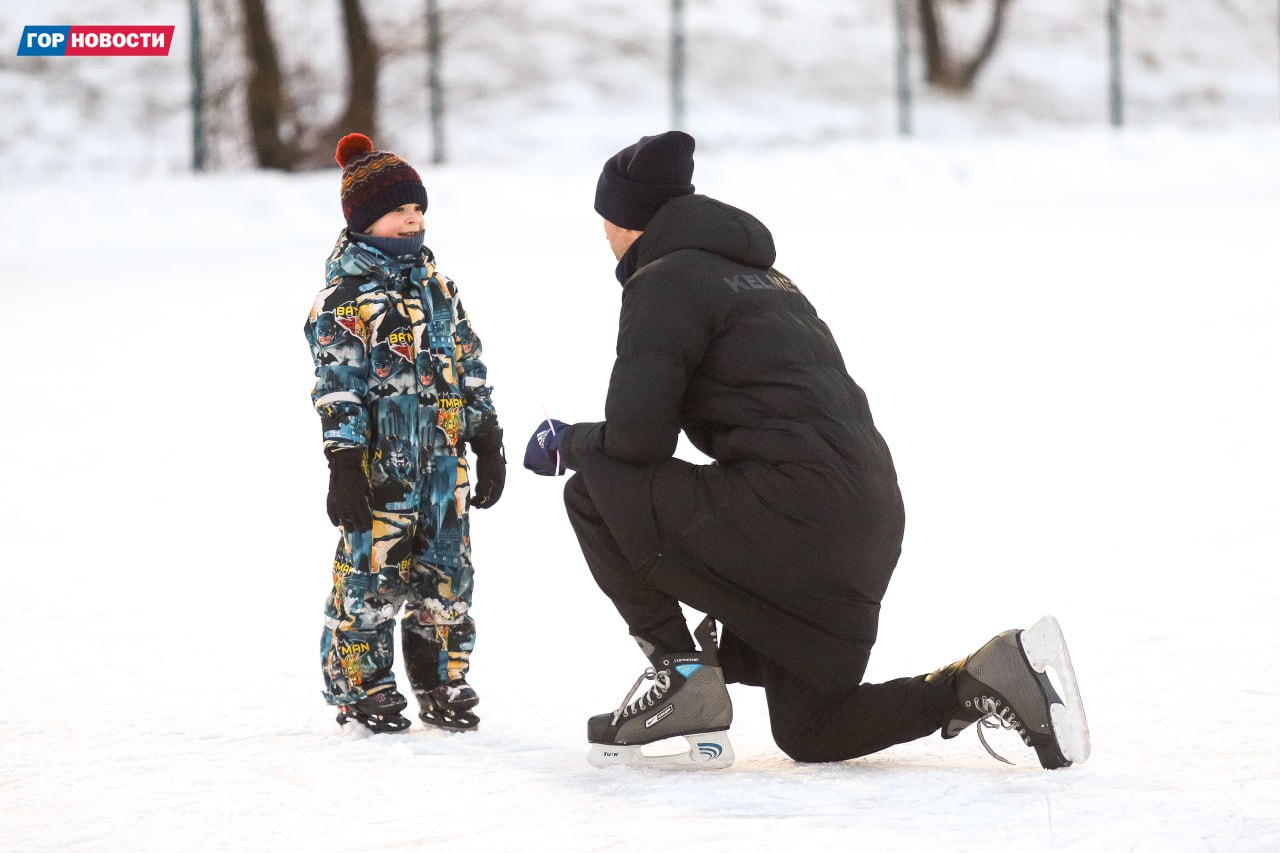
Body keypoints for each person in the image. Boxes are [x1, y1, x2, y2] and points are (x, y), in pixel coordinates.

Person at [523, 131, 1089, 770]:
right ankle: (982, 677)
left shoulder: (665, 280)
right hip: (864, 514)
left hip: (790, 510)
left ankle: (681, 675)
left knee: (594, 484)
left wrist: (567, 440)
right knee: (815, 729)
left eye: (606, 222)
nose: (604, 237)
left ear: (626, 220)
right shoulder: (766, 278)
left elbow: (636, 441)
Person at [304, 133, 505, 733]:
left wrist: (486, 433)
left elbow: (468, 362)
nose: (412, 222)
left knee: (446, 579)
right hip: (379, 470)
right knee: (369, 580)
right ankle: (361, 686)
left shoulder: (438, 287)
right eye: (399, 212)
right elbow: (337, 385)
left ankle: (442, 679)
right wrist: (343, 463)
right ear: (365, 221)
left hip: (444, 468)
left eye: (418, 212)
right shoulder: (344, 299)